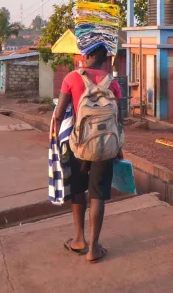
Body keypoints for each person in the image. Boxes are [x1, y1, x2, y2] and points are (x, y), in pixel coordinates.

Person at [53, 45, 122, 263]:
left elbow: (58, 114)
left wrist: (57, 141)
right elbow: (118, 120)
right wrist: (118, 149)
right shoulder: (112, 82)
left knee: (78, 191)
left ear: (87, 55)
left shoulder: (72, 78)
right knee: (98, 195)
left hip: (78, 146)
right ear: (104, 58)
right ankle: (94, 248)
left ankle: (79, 240)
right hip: (105, 146)